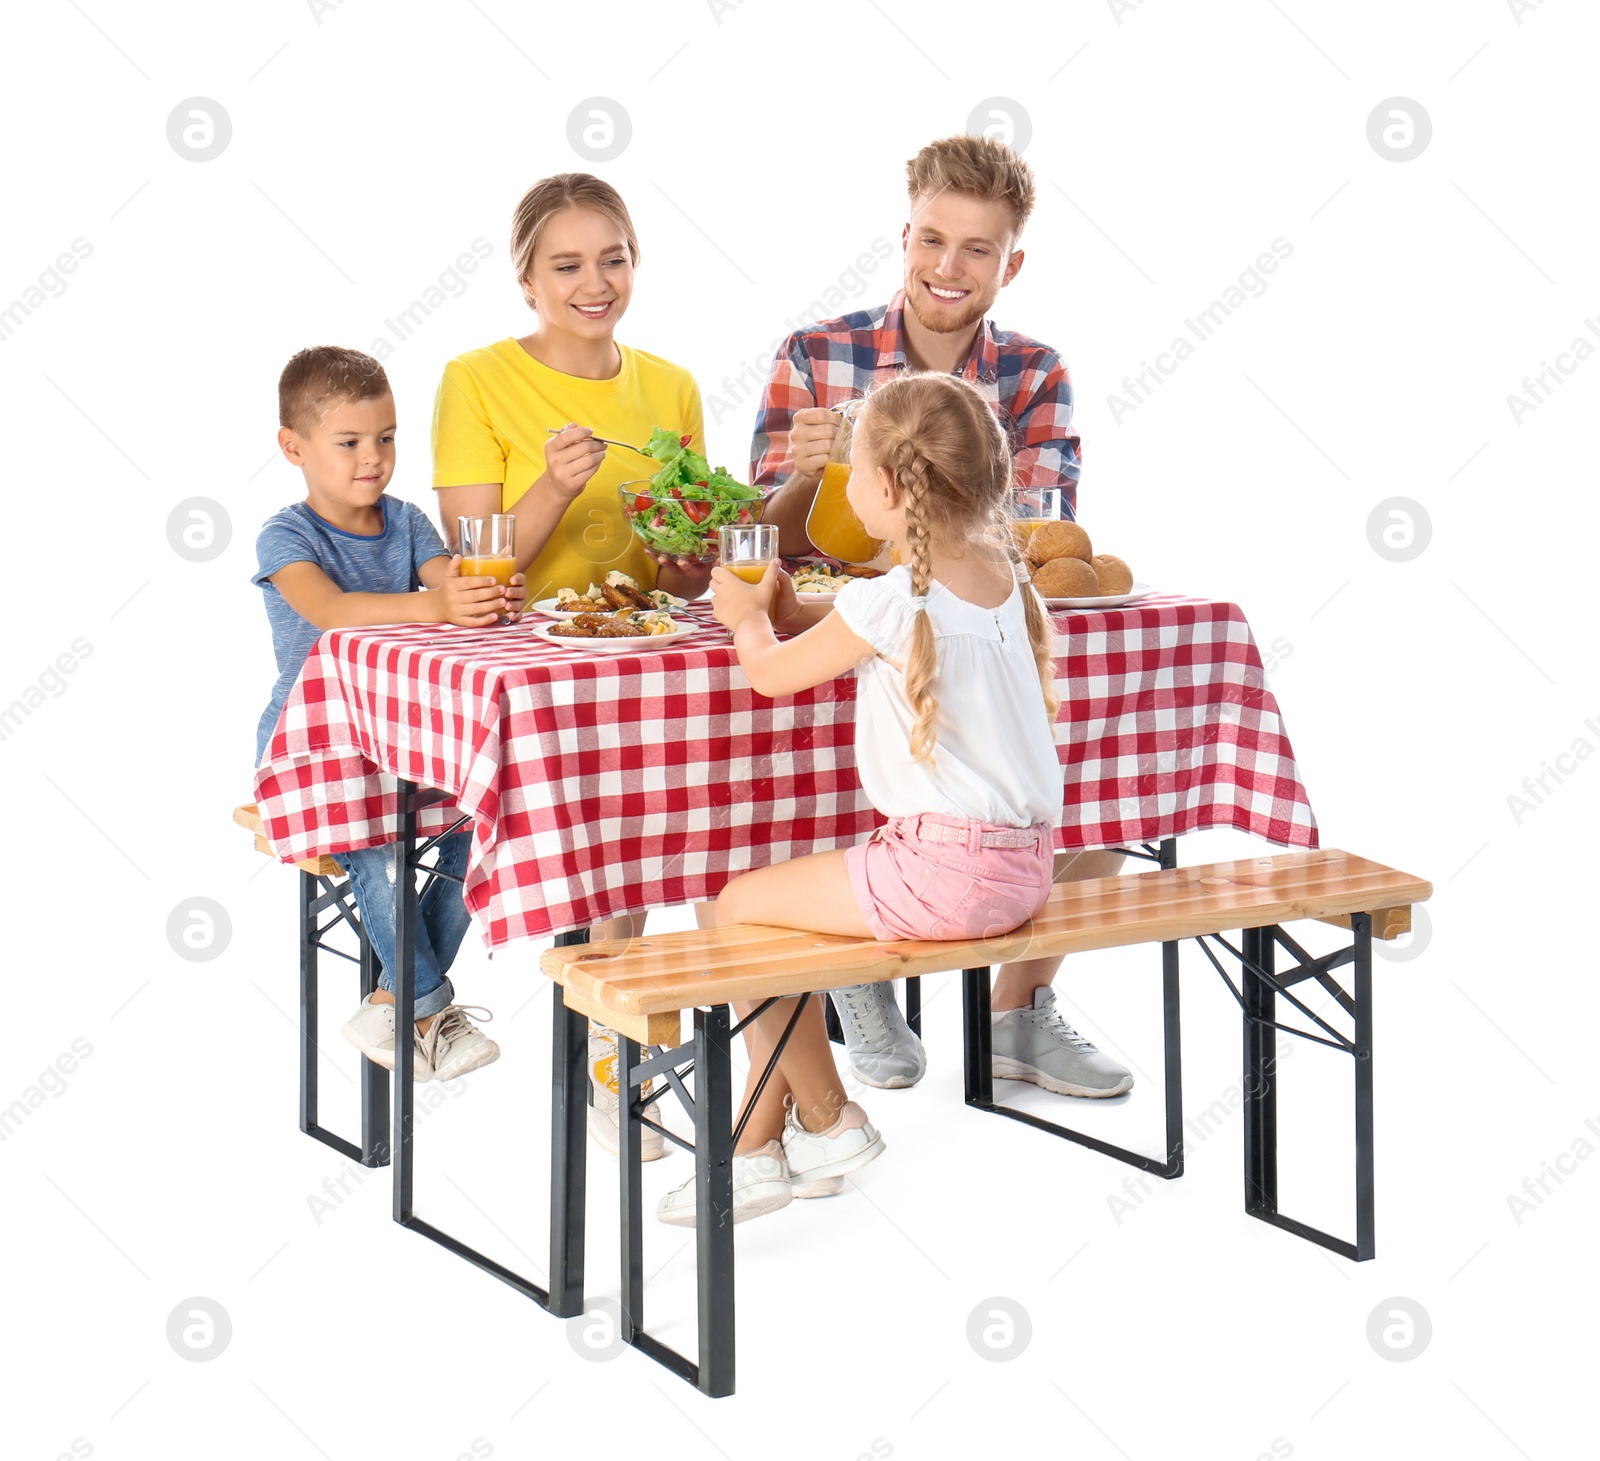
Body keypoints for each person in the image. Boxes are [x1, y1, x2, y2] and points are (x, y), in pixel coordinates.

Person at [743, 133, 1132, 1100]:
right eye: (931, 239)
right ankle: (854, 969)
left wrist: (892, 530)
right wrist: (802, 475)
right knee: (778, 776)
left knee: (1118, 773)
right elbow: (751, 534)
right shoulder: (816, 351)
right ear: (905, 234)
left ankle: (1016, 1011)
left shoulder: (1038, 373)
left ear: (1012, 263)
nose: (947, 267)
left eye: (977, 249)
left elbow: (1034, 530)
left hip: (908, 642)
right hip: (846, 639)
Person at [655, 372, 1060, 1226]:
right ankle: (758, 1144)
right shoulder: (999, 573)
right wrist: (788, 606)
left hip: (945, 873)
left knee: (732, 906)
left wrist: (742, 618)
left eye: (854, 466)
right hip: (1024, 870)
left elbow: (767, 674)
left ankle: (832, 1116)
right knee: (767, 909)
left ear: (881, 485)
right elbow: (843, 627)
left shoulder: (891, 593)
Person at [430, 173, 713, 1160]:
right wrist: (552, 486)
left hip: (636, 655)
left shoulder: (669, 386)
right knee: (610, 822)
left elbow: (682, 558)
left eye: (613, 258)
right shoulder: (474, 380)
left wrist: (688, 550)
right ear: (525, 278)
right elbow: (473, 560)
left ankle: (616, 1047)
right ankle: (609, 1052)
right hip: (520, 668)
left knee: (658, 826)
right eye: (567, 265)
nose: (595, 283)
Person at [254, 346, 514, 1081]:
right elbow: (333, 613)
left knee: (490, 823)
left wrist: (477, 596)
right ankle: (430, 1005)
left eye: (387, 437)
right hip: (316, 751)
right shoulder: (288, 536)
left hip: (406, 745)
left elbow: (447, 580)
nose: (373, 458)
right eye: (350, 442)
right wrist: (438, 605)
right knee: (377, 844)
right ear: (293, 448)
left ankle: (391, 1003)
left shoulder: (406, 523)